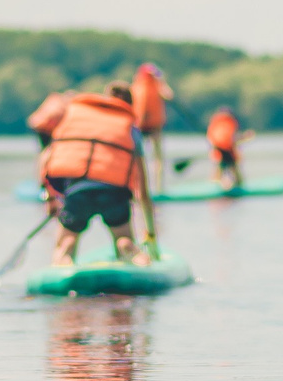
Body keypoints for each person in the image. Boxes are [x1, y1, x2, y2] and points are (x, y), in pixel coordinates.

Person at [29, 83, 151, 267]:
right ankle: (130, 252)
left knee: (66, 241)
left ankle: (64, 263)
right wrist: (151, 233)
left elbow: (46, 158)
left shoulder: (77, 119)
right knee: (123, 238)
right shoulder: (129, 128)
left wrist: (50, 199)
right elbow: (143, 190)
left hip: (77, 191)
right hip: (114, 193)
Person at [132, 61, 176, 193]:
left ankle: (152, 188)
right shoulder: (156, 86)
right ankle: (156, 189)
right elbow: (169, 95)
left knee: (141, 159)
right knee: (157, 159)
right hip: (147, 126)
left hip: (142, 126)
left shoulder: (136, 86)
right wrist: (161, 80)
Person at [206, 105, 245, 192]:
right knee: (236, 174)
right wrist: (245, 137)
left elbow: (211, 138)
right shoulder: (230, 122)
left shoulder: (215, 121)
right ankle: (238, 186)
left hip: (218, 150)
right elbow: (232, 139)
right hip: (226, 150)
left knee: (218, 171)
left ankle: (214, 186)